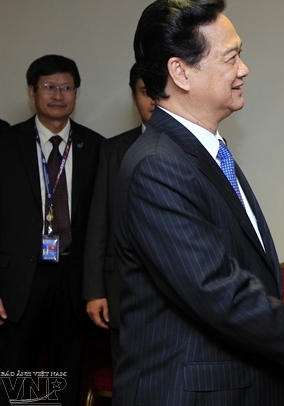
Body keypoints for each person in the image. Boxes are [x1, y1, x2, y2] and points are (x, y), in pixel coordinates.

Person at [113, 0, 284, 405]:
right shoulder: (159, 164)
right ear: (181, 73)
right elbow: (219, 295)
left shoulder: (203, 152)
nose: (244, 69)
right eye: (230, 57)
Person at [0, 54, 104, 406]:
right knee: (16, 378)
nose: (58, 95)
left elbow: (103, 222)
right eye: (48, 87)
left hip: (73, 279)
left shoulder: (96, 147)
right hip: (19, 281)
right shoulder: (6, 144)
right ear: (32, 92)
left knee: (65, 378)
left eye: (66, 87)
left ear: (76, 93)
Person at [82, 63, 156, 365]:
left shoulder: (194, 146)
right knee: (128, 378)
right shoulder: (113, 149)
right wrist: (94, 291)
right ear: (134, 97)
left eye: (159, 91)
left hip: (179, 292)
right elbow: (98, 223)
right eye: (145, 91)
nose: (153, 99)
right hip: (122, 290)